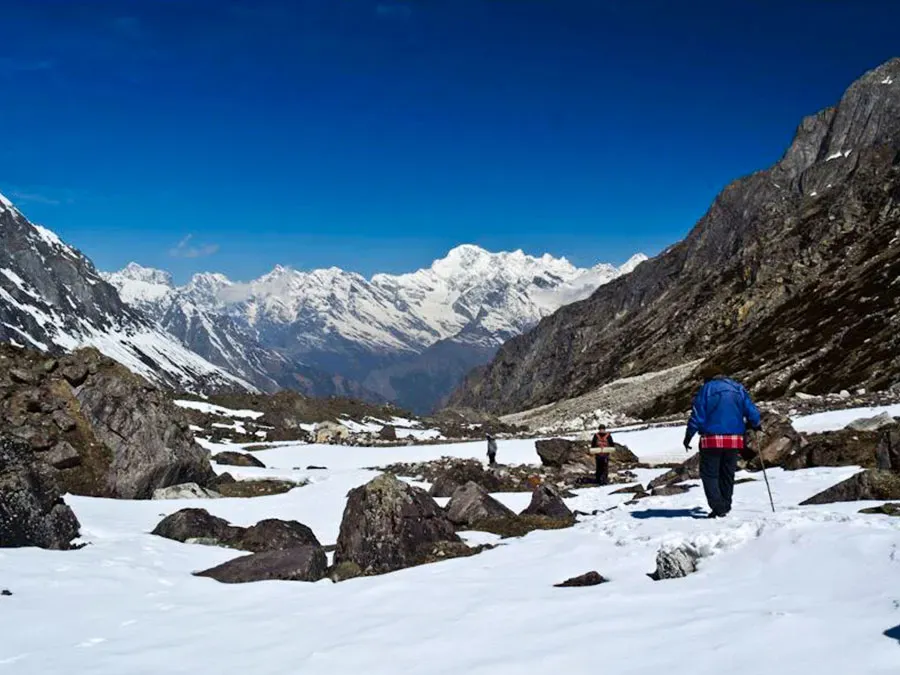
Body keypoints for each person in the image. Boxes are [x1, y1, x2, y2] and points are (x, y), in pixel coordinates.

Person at [683, 365, 762, 518]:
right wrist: (756, 423)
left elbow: (697, 416)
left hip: (711, 439)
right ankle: (725, 505)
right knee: (727, 473)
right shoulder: (737, 388)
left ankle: (718, 507)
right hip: (734, 439)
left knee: (710, 474)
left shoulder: (706, 390)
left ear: (708, 377)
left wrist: (688, 436)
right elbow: (751, 410)